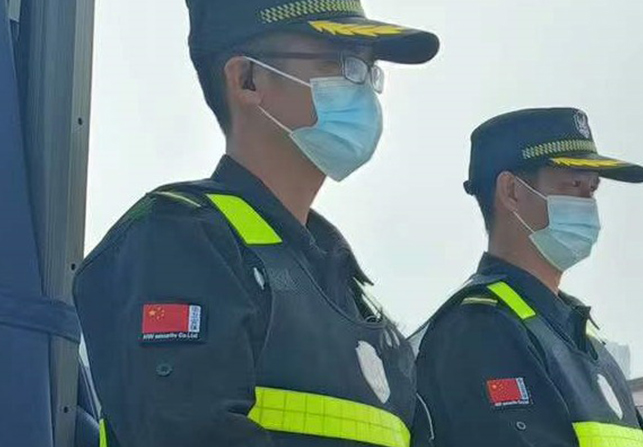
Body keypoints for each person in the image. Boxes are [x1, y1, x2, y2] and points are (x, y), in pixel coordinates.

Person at [72, 0, 437, 445]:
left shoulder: (352, 296)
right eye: (339, 62)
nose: (363, 90)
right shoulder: (180, 240)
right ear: (247, 79)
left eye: (368, 69)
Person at [411, 108, 643, 447]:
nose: (588, 204)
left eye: (592, 189)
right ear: (512, 191)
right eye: (574, 185)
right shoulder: (483, 331)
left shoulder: (584, 341)